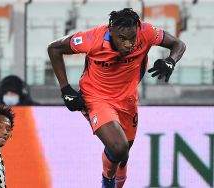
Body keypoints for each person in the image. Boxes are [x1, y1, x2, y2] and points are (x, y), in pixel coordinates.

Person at [47, 8, 186, 188]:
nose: (129, 44)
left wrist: (171, 61)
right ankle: (107, 181)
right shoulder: (92, 39)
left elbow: (179, 44)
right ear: (110, 31)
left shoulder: (146, 31)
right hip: (96, 98)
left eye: (132, 38)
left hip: (128, 100)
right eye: (122, 38)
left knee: (124, 154)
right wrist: (65, 89)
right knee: (118, 147)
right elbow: (54, 48)